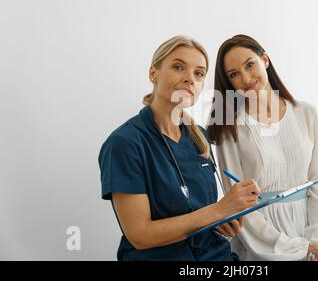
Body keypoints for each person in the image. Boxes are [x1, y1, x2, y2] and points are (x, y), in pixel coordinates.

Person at [98, 35, 261, 261]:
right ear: (153, 73)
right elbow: (140, 235)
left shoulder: (200, 138)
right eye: (178, 67)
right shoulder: (125, 144)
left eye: (199, 73)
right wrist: (218, 211)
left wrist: (219, 221)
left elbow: (198, 211)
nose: (190, 79)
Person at [207, 34, 318, 261]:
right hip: (264, 242)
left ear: (265, 60)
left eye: (250, 64)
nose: (245, 78)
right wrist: (296, 250)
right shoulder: (229, 127)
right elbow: (241, 206)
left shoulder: (306, 113)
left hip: (316, 227)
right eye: (234, 74)